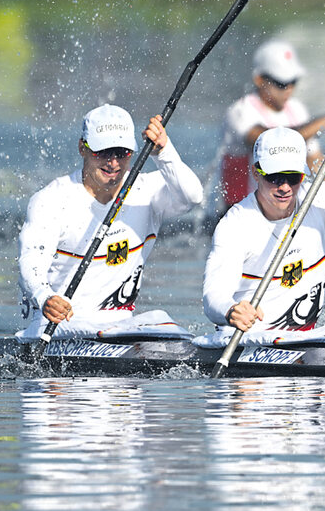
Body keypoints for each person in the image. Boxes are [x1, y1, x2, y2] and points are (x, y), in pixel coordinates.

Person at [17, 104, 203, 341]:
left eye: (121, 152)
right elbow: (30, 261)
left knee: (163, 321)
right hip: (60, 326)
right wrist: (45, 297)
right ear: (82, 148)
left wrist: (164, 151)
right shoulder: (52, 201)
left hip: (119, 327)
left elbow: (193, 196)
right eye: (102, 152)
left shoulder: (146, 191)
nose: (113, 163)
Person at [201, 122, 325, 343]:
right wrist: (231, 310)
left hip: (304, 343)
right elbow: (213, 296)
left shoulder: (322, 200)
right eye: (274, 177)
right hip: (249, 340)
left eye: (293, 177)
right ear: (256, 173)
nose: (284, 187)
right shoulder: (235, 225)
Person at [218, 39, 325, 210]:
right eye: (281, 83)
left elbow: (316, 163)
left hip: (276, 209)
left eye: (293, 81)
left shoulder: (297, 110)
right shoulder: (240, 112)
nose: (289, 89)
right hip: (237, 210)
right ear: (259, 79)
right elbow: (270, 140)